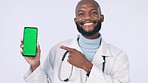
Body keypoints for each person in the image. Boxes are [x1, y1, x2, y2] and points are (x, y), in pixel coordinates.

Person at [20, 0, 130, 83]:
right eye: (81, 14)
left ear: (102, 18)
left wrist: (87, 65)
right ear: (75, 20)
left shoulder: (118, 56)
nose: (87, 17)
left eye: (93, 13)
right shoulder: (58, 50)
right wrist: (35, 64)